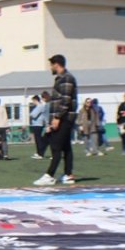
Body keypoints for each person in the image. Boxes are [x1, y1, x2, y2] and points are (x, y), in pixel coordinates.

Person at [34, 54, 79, 186]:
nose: (50, 68)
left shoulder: (66, 78)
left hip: (64, 118)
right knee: (66, 147)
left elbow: (66, 100)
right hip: (63, 118)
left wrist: (57, 117)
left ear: (56, 64)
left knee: (56, 147)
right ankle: (68, 174)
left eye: (51, 65)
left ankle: (50, 175)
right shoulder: (60, 79)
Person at [28, 94, 48, 159]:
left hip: (38, 124)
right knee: (37, 139)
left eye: (33, 101)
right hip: (36, 124)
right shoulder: (38, 107)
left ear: (35, 100)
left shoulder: (39, 106)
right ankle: (38, 152)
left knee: (38, 139)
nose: (33, 102)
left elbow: (33, 115)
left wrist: (31, 114)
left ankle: (40, 153)